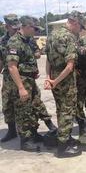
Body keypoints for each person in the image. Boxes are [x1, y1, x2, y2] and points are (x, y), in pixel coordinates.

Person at [44, 11, 83, 158]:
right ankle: (63, 147)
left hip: (55, 78)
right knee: (67, 111)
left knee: (61, 109)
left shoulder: (52, 35)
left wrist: (49, 78)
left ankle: (64, 136)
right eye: (80, 27)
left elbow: (48, 59)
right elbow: (69, 66)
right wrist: (56, 81)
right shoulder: (69, 37)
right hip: (64, 81)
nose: (79, 31)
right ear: (75, 23)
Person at [6, 15, 44, 152]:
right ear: (27, 26)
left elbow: (29, 59)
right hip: (22, 81)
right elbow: (12, 66)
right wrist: (21, 87)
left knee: (33, 108)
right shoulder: (15, 41)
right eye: (34, 28)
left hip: (30, 79)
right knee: (24, 111)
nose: (36, 31)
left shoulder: (27, 40)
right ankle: (25, 141)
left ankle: (33, 134)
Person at [0, 14, 21, 142]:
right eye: (13, 27)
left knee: (27, 104)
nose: (16, 29)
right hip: (8, 78)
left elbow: (35, 54)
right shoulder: (2, 40)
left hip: (22, 76)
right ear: (6, 26)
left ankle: (31, 131)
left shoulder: (24, 39)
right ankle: (12, 130)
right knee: (7, 104)